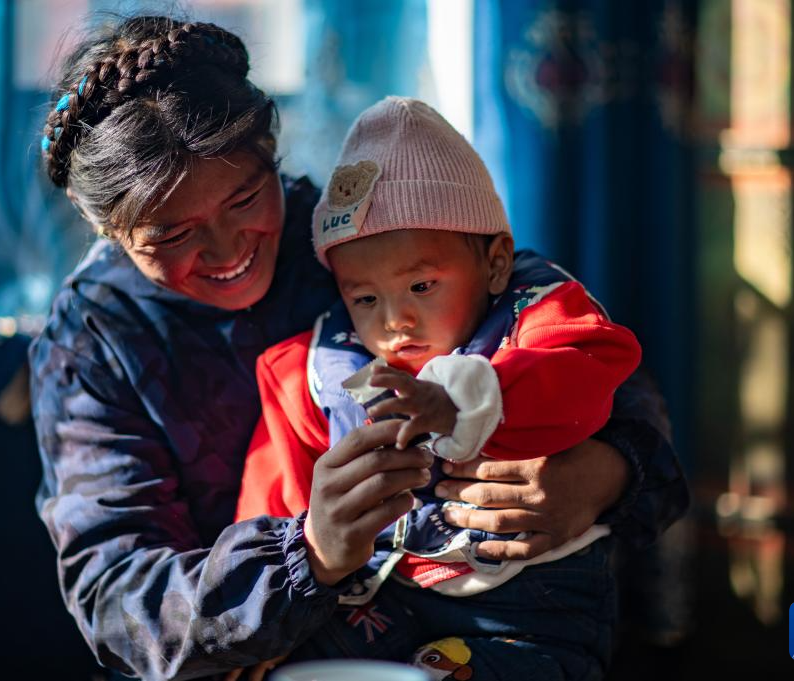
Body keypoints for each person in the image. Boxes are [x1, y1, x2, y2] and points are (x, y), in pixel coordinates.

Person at [29, 14, 689, 681]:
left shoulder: (367, 235)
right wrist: (307, 555)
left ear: (272, 149)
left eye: (246, 198)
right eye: (172, 235)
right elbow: (117, 601)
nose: (228, 250)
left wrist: (603, 474)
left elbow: (602, 370)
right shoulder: (91, 345)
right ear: (106, 229)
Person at [234, 97, 641, 678]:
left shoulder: (535, 318)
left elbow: (587, 373)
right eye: (365, 298)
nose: (394, 321)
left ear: (495, 265)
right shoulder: (315, 373)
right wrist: (270, 620)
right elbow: (273, 502)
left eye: (422, 286)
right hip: (379, 595)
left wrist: (463, 400)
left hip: (527, 597)